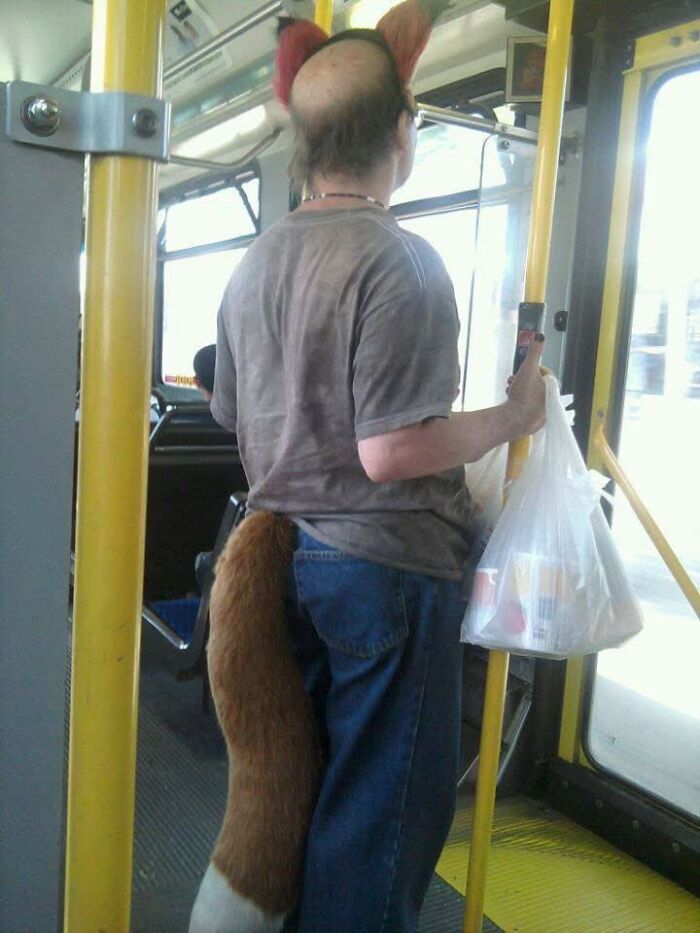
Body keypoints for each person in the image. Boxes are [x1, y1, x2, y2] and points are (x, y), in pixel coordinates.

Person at [205, 4, 546, 931]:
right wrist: (511, 416)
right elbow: (390, 451)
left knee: (315, 789)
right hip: (384, 567)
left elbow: (233, 412)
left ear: (308, 141)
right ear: (402, 129)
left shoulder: (254, 262)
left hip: (284, 558)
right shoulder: (403, 262)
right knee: (380, 820)